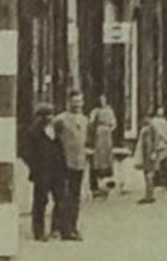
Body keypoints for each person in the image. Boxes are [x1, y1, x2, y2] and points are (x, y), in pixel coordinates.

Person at [21, 103, 63, 241]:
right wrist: (35, 166)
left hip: (56, 170)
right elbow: (26, 152)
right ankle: (38, 231)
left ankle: (56, 227)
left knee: (60, 198)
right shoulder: (34, 132)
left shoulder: (56, 130)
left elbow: (61, 147)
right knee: (41, 200)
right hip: (42, 171)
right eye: (46, 115)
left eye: (51, 114)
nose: (49, 118)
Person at [52, 92, 90, 240]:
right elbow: (54, 139)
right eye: (74, 102)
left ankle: (73, 227)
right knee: (64, 195)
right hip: (64, 162)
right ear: (69, 102)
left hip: (79, 162)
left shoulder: (85, 120)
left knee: (75, 196)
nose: (77, 105)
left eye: (79, 102)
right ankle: (62, 228)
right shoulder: (61, 120)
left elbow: (86, 140)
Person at [136, 107, 167, 203]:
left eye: (146, 118)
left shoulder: (152, 127)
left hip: (151, 153)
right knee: (147, 173)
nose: (145, 120)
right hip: (145, 153)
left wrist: (153, 151)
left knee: (150, 174)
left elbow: (156, 139)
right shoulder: (145, 128)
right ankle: (148, 194)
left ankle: (150, 195)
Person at [88, 95, 118, 199]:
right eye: (100, 100)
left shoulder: (110, 111)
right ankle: (98, 177)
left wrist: (110, 128)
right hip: (99, 132)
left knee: (107, 153)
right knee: (99, 153)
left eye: (104, 100)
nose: (102, 102)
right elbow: (91, 122)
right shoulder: (95, 111)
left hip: (107, 132)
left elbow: (114, 123)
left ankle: (108, 178)